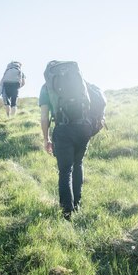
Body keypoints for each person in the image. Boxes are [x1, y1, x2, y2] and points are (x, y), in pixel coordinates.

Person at [39, 61, 94, 221]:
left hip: (63, 129)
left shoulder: (47, 87)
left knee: (65, 171)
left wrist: (46, 138)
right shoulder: (78, 80)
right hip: (83, 127)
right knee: (78, 164)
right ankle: (77, 204)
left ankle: (67, 213)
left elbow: (44, 117)